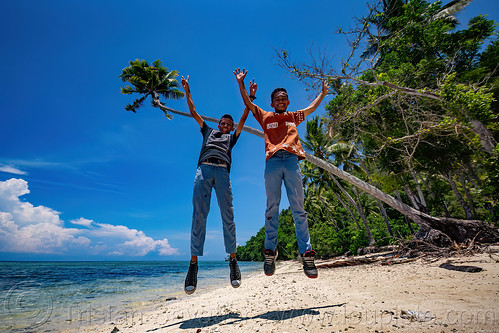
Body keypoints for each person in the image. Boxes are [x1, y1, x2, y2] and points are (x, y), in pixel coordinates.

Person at [234, 68, 328, 278]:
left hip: (292, 160)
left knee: (299, 209)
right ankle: (269, 252)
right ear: (272, 102)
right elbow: (249, 105)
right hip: (273, 162)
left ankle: (306, 254)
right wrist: (242, 84)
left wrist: (322, 93)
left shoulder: (293, 117)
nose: (281, 100)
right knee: (272, 208)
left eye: (284, 98)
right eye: (278, 98)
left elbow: (311, 108)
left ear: (287, 101)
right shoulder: (265, 116)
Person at [181, 74, 257, 294]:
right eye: (222, 123)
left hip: (223, 173)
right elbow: (194, 112)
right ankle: (193, 265)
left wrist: (250, 95)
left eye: (228, 124)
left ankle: (233, 261)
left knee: (228, 216)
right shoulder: (208, 131)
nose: (224, 125)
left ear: (231, 128)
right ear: (218, 124)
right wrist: (187, 91)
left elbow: (245, 115)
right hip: (203, 170)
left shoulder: (232, 138)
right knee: (199, 216)